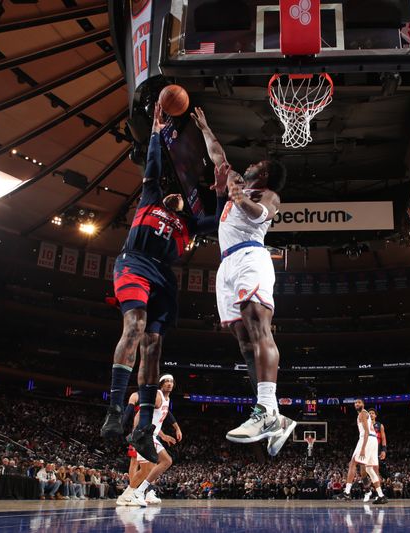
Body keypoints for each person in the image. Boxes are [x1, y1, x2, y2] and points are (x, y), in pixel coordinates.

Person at [100, 100, 228, 464]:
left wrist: (219, 191)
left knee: (154, 347)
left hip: (163, 277)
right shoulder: (151, 198)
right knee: (136, 326)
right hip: (135, 263)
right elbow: (154, 169)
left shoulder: (189, 226)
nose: (174, 193)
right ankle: (112, 410)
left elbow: (219, 222)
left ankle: (142, 427)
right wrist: (156, 134)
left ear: (186, 206)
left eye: (181, 196)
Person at [190, 106, 295, 455]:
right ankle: (274, 416)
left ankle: (266, 408)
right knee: (243, 342)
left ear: (263, 175)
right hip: (227, 265)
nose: (249, 164)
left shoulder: (266, 196)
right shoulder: (236, 183)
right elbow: (217, 154)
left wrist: (236, 196)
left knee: (258, 328)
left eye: (257, 164)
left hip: (252, 257)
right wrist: (205, 127)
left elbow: (259, 213)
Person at [117, 375, 179, 507]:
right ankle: (136, 493)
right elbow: (140, 413)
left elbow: (157, 420)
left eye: (171, 381)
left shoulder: (167, 399)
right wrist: (136, 432)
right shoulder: (157, 395)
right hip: (145, 436)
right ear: (161, 384)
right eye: (166, 381)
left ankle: (132, 494)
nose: (169, 384)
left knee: (151, 468)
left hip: (153, 436)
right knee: (158, 464)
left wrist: (163, 435)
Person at [335, 398, 387, 504]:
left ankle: (347, 492)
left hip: (366, 439)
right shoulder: (365, 415)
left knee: (353, 463)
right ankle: (381, 495)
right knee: (369, 470)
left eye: (359, 402)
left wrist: (363, 448)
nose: (356, 404)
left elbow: (366, 431)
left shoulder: (362, 414)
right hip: (374, 442)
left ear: (363, 404)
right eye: (355, 403)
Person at [363, 408, 387, 502]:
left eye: (373, 413)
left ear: (375, 415)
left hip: (375, 450)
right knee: (363, 471)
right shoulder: (365, 424)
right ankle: (367, 491)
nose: (371, 414)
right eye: (369, 413)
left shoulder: (380, 425)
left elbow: (383, 438)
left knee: (375, 472)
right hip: (365, 449)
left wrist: (384, 450)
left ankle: (378, 494)